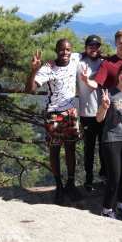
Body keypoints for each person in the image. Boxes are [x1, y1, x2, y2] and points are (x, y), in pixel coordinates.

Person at [25, 39, 83, 205]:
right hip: (54, 114)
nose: (65, 53)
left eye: (68, 49)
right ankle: (58, 184)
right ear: (56, 50)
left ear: (71, 50)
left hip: (71, 112)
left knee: (71, 148)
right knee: (55, 150)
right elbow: (29, 89)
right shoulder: (48, 68)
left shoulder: (75, 59)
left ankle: (70, 183)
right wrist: (34, 70)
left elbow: (93, 52)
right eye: (61, 50)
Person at [96, 63, 122, 220]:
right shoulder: (110, 93)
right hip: (112, 138)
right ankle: (107, 208)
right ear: (118, 75)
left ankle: (121, 203)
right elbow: (99, 118)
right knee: (114, 175)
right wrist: (105, 106)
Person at [76, 34, 106, 191]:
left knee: (104, 145)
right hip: (87, 112)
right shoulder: (78, 62)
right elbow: (65, 56)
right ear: (86, 47)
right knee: (89, 147)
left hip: (103, 111)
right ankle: (88, 177)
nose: (94, 49)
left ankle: (104, 172)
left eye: (97, 46)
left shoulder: (104, 62)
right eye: (90, 46)